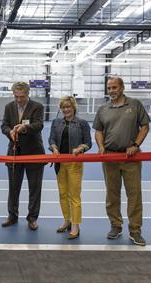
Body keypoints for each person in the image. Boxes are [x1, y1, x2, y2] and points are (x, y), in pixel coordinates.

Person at [93, 76, 150, 246]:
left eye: (114, 87)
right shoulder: (103, 108)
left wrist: (135, 144)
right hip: (110, 157)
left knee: (134, 194)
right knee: (112, 194)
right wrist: (101, 146)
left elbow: (145, 126)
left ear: (122, 88)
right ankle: (115, 226)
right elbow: (98, 131)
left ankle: (135, 230)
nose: (111, 91)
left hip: (131, 158)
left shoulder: (134, 104)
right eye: (109, 88)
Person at [0, 81, 45, 230]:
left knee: (34, 188)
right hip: (14, 153)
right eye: (16, 96)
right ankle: (12, 216)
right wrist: (10, 132)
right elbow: (4, 125)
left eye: (22, 96)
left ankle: (32, 218)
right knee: (13, 187)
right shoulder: (9, 107)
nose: (19, 100)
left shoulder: (37, 107)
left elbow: (39, 125)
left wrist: (25, 127)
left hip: (34, 153)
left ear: (28, 94)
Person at [49, 96, 92, 239]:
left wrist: (80, 148)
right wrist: (54, 148)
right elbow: (52, 139)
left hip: (75, 163)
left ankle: (75, 225)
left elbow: (88, 143)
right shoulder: (56, 123)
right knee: (62, 194)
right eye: (63, 107)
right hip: (59, 163)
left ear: (74, 107)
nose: (66, 109)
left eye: (68, 106)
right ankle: (67, 220)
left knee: (74, 195)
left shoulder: (82, 124)